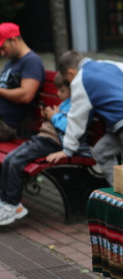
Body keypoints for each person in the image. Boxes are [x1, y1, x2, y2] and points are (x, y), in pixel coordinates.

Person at [48, 51, 123, 186]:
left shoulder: (80, 80)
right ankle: (121, 187)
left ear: (71, 73)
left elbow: (76, 117)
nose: (70, 84)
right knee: (101, 151)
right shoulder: (106, 64)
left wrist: (68, 149)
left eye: (68, 80)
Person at [0, 73, 88, 225]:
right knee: (9, 159)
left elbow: (70, 128)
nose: (58, 94)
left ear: (72, 89)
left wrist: (53, 117)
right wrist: (49, 116)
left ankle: (14, 204)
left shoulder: (76, 106)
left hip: (50, 143)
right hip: (41, 139)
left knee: (16, 161)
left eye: (62, 90)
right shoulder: (65, 104)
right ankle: (5, 201)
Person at [0, 22, 45, 141]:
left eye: (3, 48)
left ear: (14, 40)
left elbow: (26, 95)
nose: (2, 53)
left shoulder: (31, 61)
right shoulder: (11, 63)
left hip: (5, 125)